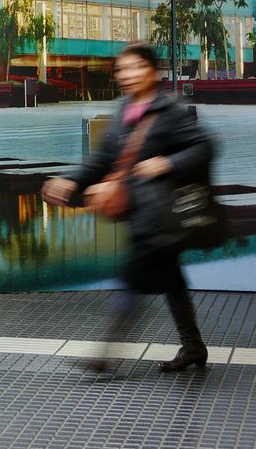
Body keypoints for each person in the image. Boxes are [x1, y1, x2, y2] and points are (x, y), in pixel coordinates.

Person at [41, 40, 213, 375]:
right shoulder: (123, 110)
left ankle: (104, 353)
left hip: (162, 215)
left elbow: (204, 148)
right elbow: (103, 158)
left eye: (137, 67)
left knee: (133, 278)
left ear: (153, 71)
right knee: (172, 280)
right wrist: (72, 180)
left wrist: (167, 162)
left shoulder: (169, 111)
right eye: (123, 69)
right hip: (141, 213)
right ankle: (193, 346)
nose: (128, 75)